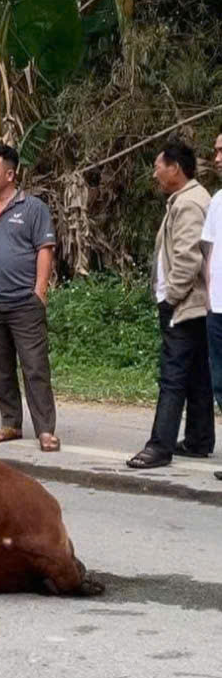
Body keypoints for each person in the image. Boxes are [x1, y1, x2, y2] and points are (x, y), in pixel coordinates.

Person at [0, 143, 60, 452]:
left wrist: (39, 292)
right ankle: (10, 423)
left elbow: (45, 250)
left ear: (10, 174)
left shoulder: (33, 208)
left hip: (24, 303)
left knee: (34, 366)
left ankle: (45, 430)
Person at [127, 141, 213, 470]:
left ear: (175, 168)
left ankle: (159, 446)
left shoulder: (189, 203)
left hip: (185, 304)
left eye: (158, 165)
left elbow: (189, 256)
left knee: (173, 375)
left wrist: (171, 297)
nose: (155, 172)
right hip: (195, 304)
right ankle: (198, 438)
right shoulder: (189, 198)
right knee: (196, 373)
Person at [198, 128, 222, 482]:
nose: (216, 158)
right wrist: (209, 294)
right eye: (216, 150)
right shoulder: (217, 200)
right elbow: (208, 252)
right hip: (218, 308)